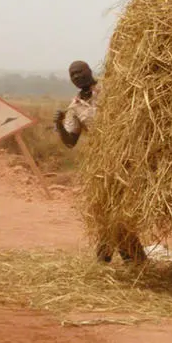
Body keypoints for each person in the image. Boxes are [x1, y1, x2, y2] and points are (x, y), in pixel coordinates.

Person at [54, 61, 145, 262]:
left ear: (89, 71)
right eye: (72, 75)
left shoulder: (110, 89)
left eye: (79, 72)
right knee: (105, 208)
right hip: (100, 163)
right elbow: (70, 142)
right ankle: (127, 257)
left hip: (125, 154)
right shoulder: (75, 106)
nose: (76, 77)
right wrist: (59, 126)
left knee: (118, 208)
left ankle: (114, 257)